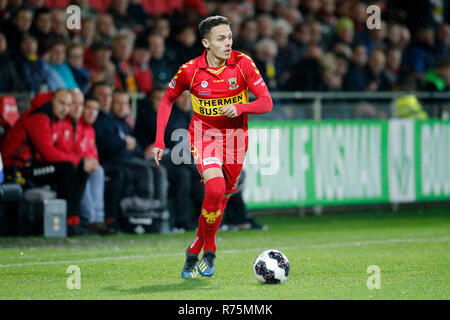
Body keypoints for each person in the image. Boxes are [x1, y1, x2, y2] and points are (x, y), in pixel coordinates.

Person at [152, 16, 273, 278]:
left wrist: (240, 107)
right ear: (206, 42)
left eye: (229, 37)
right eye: (221, 38)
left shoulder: (243, 64)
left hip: (236, 140)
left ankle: (196, 245)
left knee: (220, 199)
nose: (228, 42)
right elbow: (166, 101)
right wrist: (160, 140)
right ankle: (211, 249)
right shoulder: (190, 70)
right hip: (204, 136)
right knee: (215, 187)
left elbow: (266, 102)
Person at [0, 89, 95, 235]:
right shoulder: (39, 116)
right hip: (15, 169)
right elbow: (48, 153)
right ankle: (65, 219)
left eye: (68, 105)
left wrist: (81, 162)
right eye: (61, 103)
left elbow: (60, 151)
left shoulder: (55, 119)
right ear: (52, 101)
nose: (65, 108)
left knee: (78, 169)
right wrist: (78, 161)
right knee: (69, 168)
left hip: (31, 166)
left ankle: (72, 219)